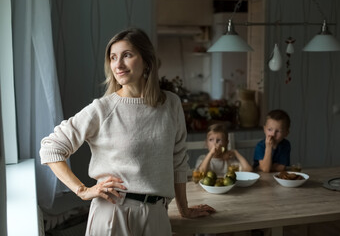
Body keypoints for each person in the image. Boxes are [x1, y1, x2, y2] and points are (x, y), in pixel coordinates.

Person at [39, 28, 215, 236]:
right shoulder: (102, 109)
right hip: (113, 214)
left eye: (127, 55)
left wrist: (184, 209)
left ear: (147, 61)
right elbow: (50, 148)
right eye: (113, 58)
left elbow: (178, 160)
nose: (118, 64)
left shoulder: (171, 104)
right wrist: (83, 190)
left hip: (156, 215)